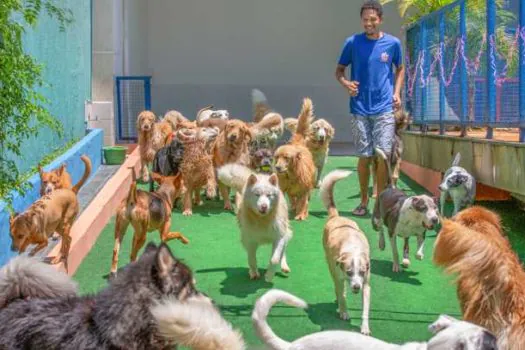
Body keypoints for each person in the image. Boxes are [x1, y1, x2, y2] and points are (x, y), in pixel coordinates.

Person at [335, 0, 405, 216]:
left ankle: (380, 200)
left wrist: (397, 93)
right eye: (365, 20)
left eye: (373, 20)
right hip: (359, 109)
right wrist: (346, 84)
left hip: (384, 109)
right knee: (364, 156)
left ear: (380, 20)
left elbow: (400, 68)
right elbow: (339, 71)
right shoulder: (352, 43)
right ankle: (364, 201)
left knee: (383, 155)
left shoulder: (393, 44)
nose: (369, 24)